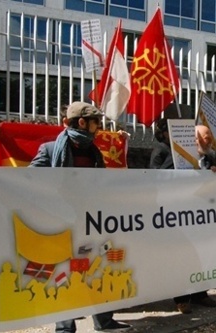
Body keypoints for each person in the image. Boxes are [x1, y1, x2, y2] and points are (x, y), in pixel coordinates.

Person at [29, 102, 130, 333]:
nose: (99, 127)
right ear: (82, 123)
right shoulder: (50, 150)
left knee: (99, 269)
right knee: (65, 274)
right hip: (62, 224)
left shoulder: (95, 151)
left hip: (93, 223)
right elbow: (26, 181)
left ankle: (104, 321)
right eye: (96, 122)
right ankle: (64, 328)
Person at [170, 125, 216, 314]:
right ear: (195, 138)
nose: (210, 140)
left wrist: (215, 174)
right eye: (207, 136)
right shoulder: (176, 157)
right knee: (184, 257)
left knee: (203, 255)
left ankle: (201, 294)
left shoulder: (208, 159)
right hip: (181, 216)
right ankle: (182, 298)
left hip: (203, 216)